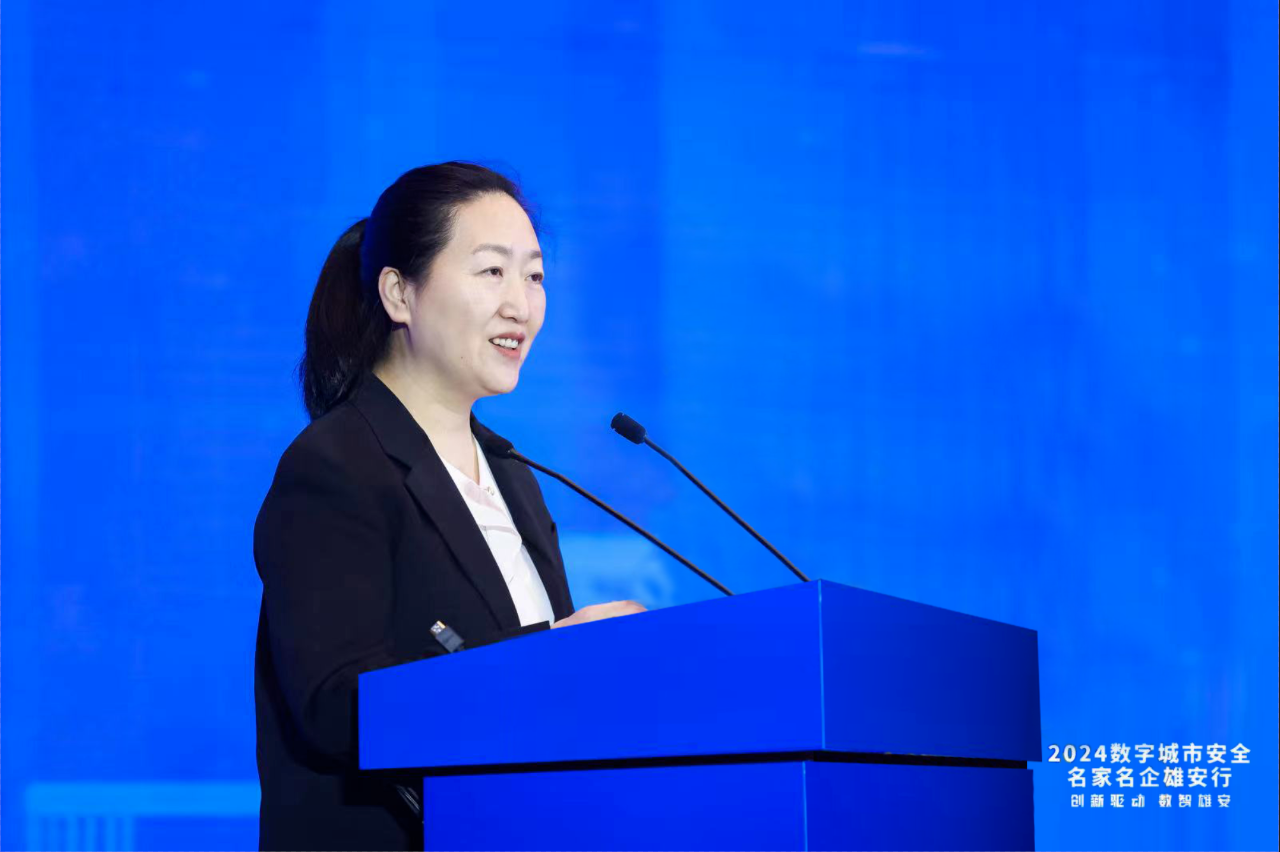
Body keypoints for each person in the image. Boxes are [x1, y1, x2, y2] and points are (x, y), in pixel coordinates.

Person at [253, 162, 644, 851]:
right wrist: (550, 654)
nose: (521, 305)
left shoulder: (512, 472)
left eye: (534, 276)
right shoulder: (336, 465)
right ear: (399, 293)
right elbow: (337, 707)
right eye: (492, 272)